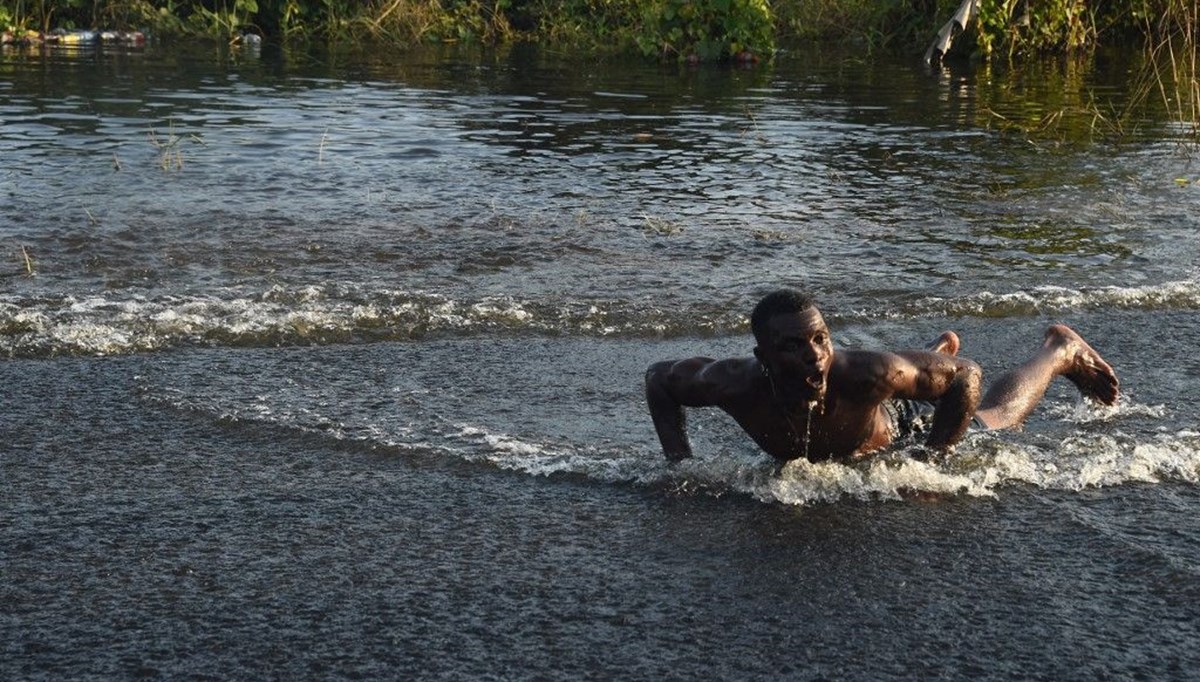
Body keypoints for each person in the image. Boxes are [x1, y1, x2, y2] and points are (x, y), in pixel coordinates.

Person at [644, 289, 1119, 464]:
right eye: (793, 347)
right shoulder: (729, 383)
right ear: (763, 357)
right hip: (879, 393)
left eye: (820, 339)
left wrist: (934, 461)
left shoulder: (861, 372)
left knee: (997, 419)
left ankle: (1059, 350)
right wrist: (678, 462)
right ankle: (929, 358)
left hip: (896, 427)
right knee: (908, 373)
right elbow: (658, 378)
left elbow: (968, 376)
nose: (814, 357)